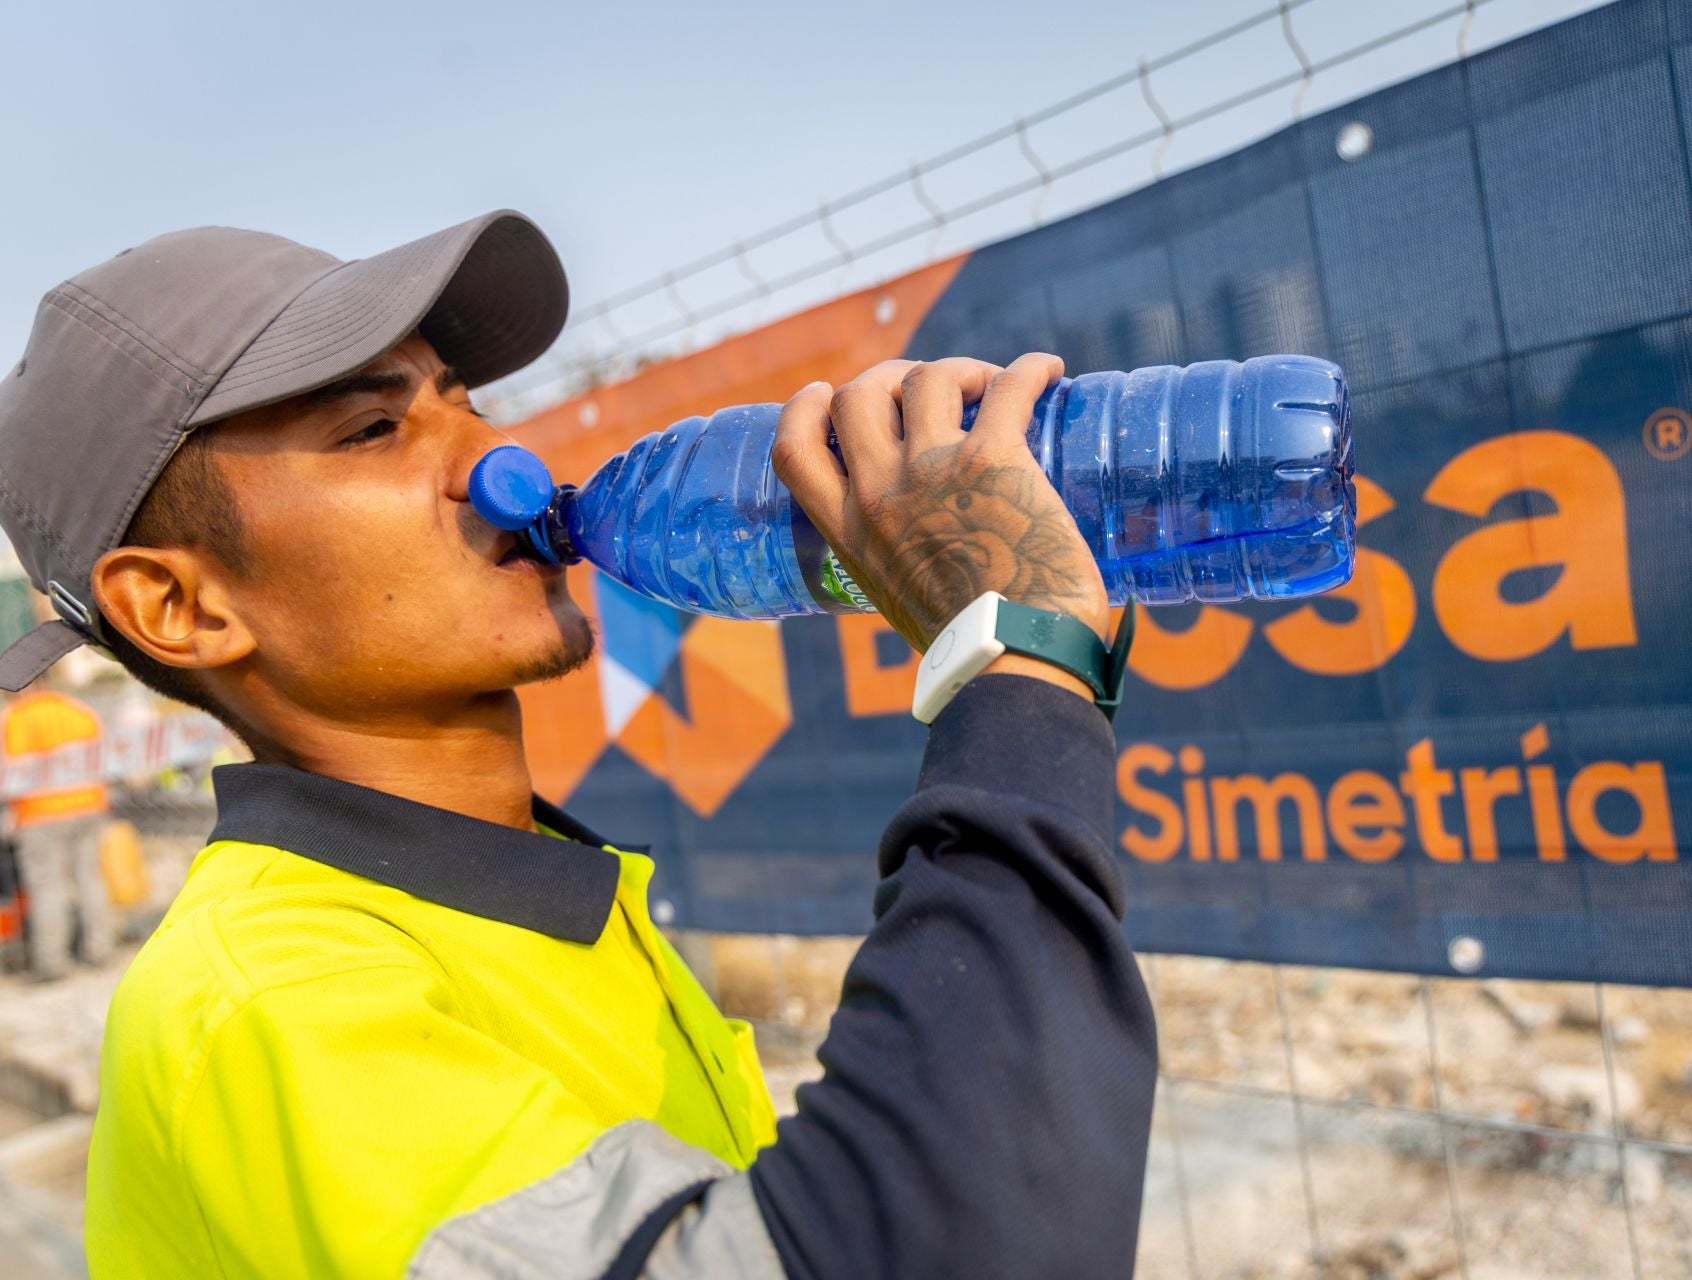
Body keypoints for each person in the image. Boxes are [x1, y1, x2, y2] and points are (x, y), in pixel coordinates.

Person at [0, 212, 1156, 1278]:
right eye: (372, 427)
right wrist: (1017, 667)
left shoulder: (513, 893)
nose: (503, 469)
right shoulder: (278, 1000)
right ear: (179, 608)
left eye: (465, 400)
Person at [1, 669, 115, 979]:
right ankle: (100, 949)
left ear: (31, 681)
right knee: (90, 879)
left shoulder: (19, 717)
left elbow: (9, 772)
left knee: (48, 888)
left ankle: (52, 963)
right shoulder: (79, 712)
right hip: (89, 805)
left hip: (41, 813)